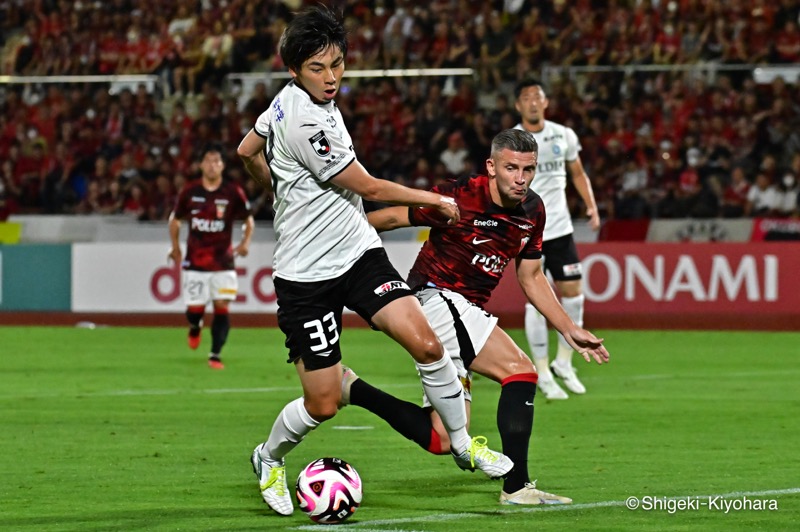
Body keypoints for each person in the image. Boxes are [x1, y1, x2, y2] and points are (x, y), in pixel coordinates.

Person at [236, 5, 510, 517]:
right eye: (318, 68)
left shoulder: (284, 102)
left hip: (359, 254)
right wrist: (432, 200)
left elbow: (246, 149)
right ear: (294, 70)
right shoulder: (303, 123)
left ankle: (462, 440)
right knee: (321, 403)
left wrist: (274, 188)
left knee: (427, 343)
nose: (332, 77)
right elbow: (367, 186)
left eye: (337, 63)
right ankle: (269, 458)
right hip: (306, 277)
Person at [342, 128, 609, 505]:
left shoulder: (534, 210)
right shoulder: (460, 194)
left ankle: (351, 389)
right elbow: (392, 218)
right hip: (435, 296)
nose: (520, 178)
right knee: (520, 371)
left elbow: (531, 277)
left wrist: (568, 328)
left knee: (443, 439)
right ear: (492, 166)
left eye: (528, 169)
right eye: (511, 168)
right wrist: (333, 240)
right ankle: (517, 487)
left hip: (464, 310)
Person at [514, 78, 601, 400]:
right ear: (518, 106)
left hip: (561, 228)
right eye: (527, 98)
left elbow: (577, 173)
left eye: (538, 97)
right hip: (527, 229)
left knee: (574, 294)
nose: (533, 102)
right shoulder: (513, 140)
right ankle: (542, 370)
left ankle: (564, 362)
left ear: (546, 103)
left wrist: (591, 206)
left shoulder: (563, 135)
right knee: (537, 300)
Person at [168, 144, 254, 370]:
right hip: (195, 262)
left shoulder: (233, 191)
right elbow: (175, 219)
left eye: (217, 161)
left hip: (223, 262)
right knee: (194, 309)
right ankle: (195, 326)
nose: (212, 165)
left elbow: (248, 219)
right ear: (201, 165)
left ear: (223, 166)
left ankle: (215, 354)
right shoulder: (190, 191)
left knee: (222, 306)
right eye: (208, 161)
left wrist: (245, 242)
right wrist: (175, 247)